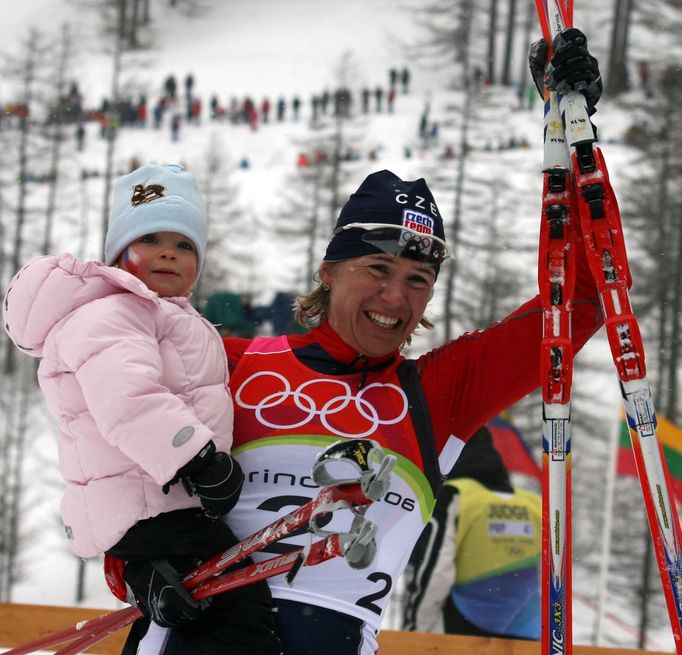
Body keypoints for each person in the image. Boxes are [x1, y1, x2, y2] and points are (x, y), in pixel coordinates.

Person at [134, 28, 605, 655]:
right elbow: (110, 425)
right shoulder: (230, 361)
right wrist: (135, 567)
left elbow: (583, 301)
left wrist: (576, 142)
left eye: (417, 280)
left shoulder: (438, 393)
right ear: (329, 272)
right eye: (376, 270)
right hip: (192, 637)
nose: (394, 298)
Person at [2, 163, 281, 655]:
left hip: (159, 506)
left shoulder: (165, 316)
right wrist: (199, 460)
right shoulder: (115, 312)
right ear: (118, 251)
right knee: (241, 614)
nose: (169, 251)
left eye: (185, 243)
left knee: (192, 612)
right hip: (151, 506)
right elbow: (127, 400)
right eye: (150, 237)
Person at [401, 425, 542, 640]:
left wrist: (413, 633)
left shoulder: (455, 497)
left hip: (464, 631)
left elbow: (434, 572)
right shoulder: (534, 504)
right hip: (528, 632)